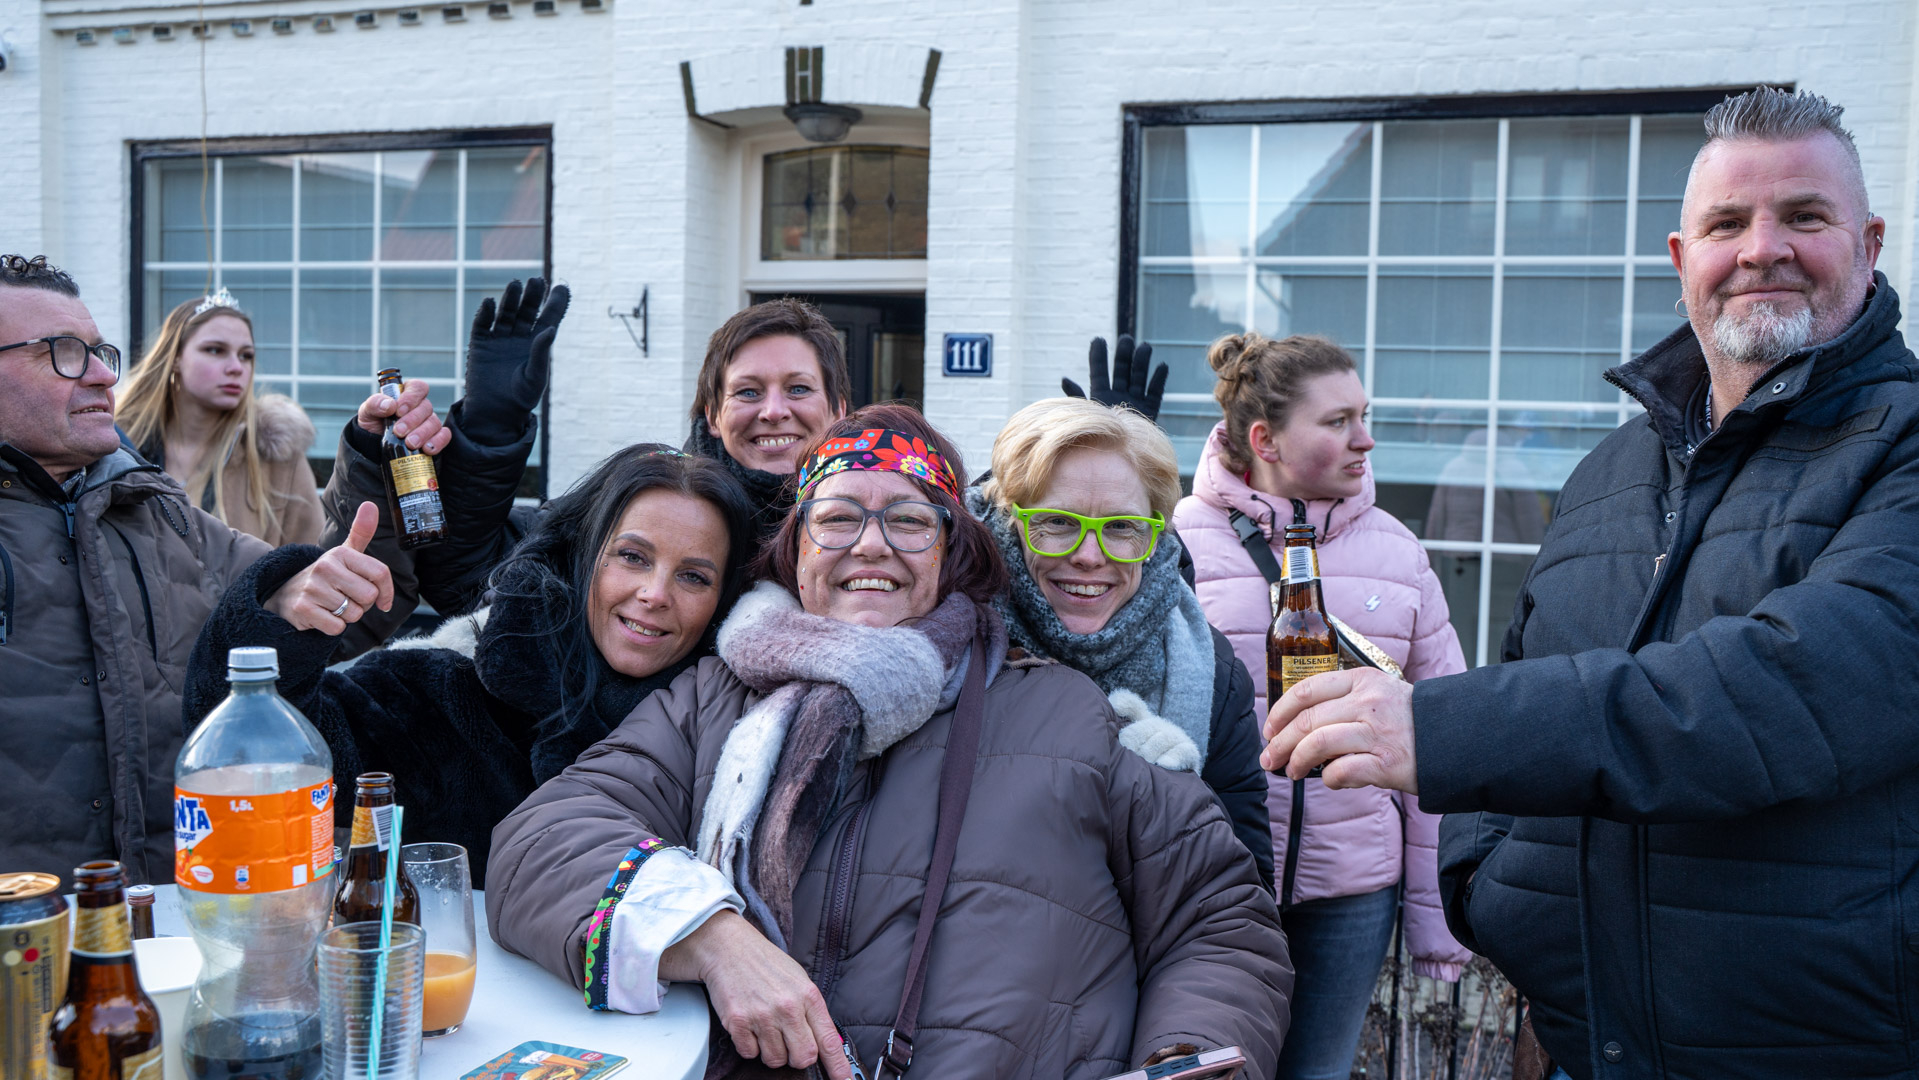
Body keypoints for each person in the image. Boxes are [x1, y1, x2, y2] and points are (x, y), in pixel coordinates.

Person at [1261, 88, 1918, 1078]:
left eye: (1803, 216)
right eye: (1726, 224)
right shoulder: (1608, 475)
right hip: (1585, 1044)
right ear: (1680, 258)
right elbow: (1525, 660)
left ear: (1867, 244)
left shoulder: (1902, 448)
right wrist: (1492, 891)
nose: (1760, 248)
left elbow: (1788, 690)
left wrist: (1440, 731)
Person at [486, 403, 1291, 1080]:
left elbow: (1218, 921)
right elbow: (542, 839)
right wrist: (712, 937)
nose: (870, 545)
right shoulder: (713, 699)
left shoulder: (1068, 710)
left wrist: (1182, 1058)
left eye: (907, 521)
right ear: (797, 548)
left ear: (951, 551)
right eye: (838, 519)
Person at [0, 254, 444, 883]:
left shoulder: (157, 513)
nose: (101, 374)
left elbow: (341, 602)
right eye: (63, 352)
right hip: (28, 924)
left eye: (99, 352)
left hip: (179, 912)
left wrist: (376, 459)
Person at [183, 445, 756, 888]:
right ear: (581, 556)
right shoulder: (441, 691)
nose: (655, 594)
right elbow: (245, 759)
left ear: (722, 601)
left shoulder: (745, 740)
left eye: (693, 576)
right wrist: (282, 621)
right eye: (632, 557)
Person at [1171, 333, 1470, 1080]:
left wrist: (1437, 918)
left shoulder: (1399, 555)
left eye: (1363, 416)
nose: (1365, 439)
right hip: (1215, 884)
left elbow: (1446, 741)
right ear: (1265, 440)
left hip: (1352, 892)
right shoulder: (1178, 542)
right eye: (1337, 421)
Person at [967, 395, 1273, 888]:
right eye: (1058, 522)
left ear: (1156, 536)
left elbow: (1242, 883)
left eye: (1122, 527)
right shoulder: (950, 643)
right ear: (1011, 521)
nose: (1090, 556)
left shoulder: (1214, 671)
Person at [409, 294, 848, 617]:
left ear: (839, 410)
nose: (773, 411)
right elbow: (464, 578)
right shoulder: (640, 501)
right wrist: (490, 427)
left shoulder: (873, 526)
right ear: (713, 415)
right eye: (748, 392)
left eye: (798, 389)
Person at [115, 289, 324, 546]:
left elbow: (311, 559)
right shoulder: (118, 447)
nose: (236, 367)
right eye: (215, 350)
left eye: (246, 355)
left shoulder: (277, 457)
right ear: (175, 358)